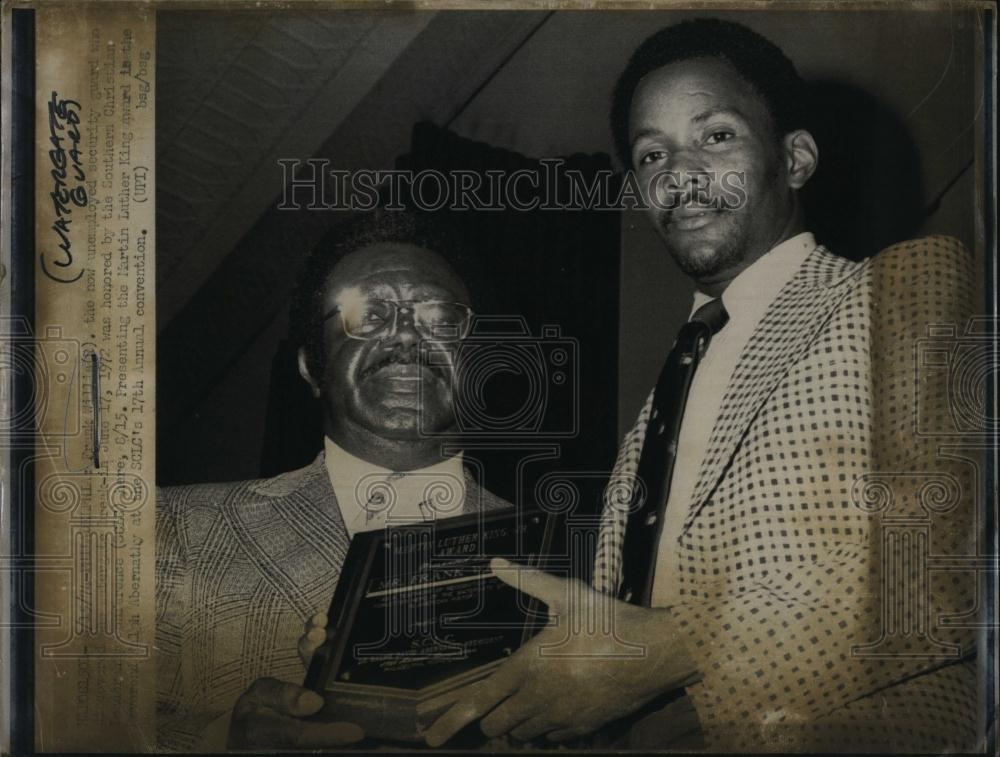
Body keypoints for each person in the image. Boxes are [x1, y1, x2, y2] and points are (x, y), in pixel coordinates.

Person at [423, 18, 979, 752]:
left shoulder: (907, 286)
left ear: (796, 158)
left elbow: (943, 565)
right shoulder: (656, 410)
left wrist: (670, 652)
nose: (677, 174)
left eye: (715, 136)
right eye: (653, 153)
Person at [155, 209, 510, 751]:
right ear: (309, 366)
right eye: (367, 315)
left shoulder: (569, 562)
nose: (407, 335)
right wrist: (219, 743)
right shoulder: (168, 529)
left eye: (439, 317)